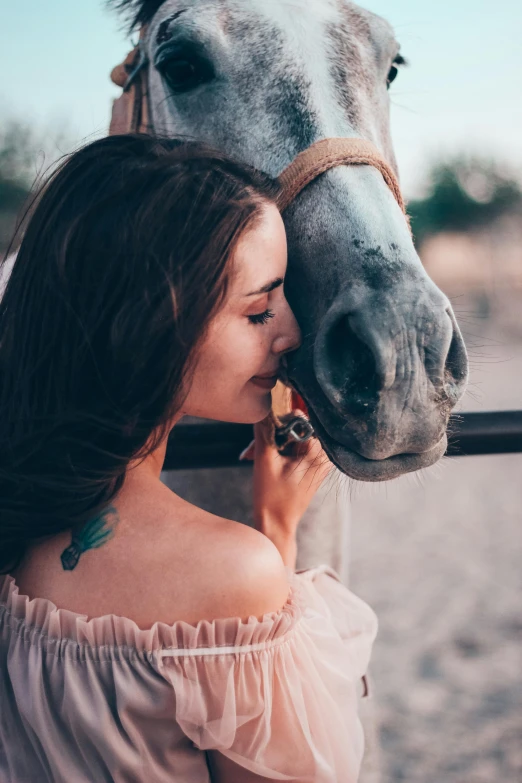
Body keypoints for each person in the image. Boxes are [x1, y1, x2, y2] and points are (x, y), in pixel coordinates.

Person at [0, 134, 377, 783]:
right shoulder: (235, 574)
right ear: (147, 324)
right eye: (259, 309)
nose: (290, 331)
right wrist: (276, 538)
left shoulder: (20, 519)